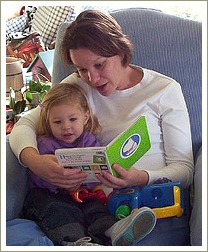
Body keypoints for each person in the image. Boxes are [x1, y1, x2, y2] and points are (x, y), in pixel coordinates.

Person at [9, 9, 194, 246]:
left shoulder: (164, 90)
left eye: (99, 65)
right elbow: (25, 122)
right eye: (82, 69)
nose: (92, 78)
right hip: (86, 204)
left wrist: (141, 178)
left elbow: (185, 170)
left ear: (120, 51)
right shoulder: (76, 88)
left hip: (148, 204)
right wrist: (35, 162)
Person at [22, 82, 156, 246]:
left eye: (72, 119)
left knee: (96, 208)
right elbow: (37, 176)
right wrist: (59, 182)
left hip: (83, 193)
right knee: (58, 211)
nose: (66, 127)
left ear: (85, 117)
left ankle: (113, 231)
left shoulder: (89, 141)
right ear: (47, 121)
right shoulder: (45, 144)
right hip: (49, 194)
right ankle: (75, 242)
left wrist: (99, 176)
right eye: (57, 122)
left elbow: (95, 176)